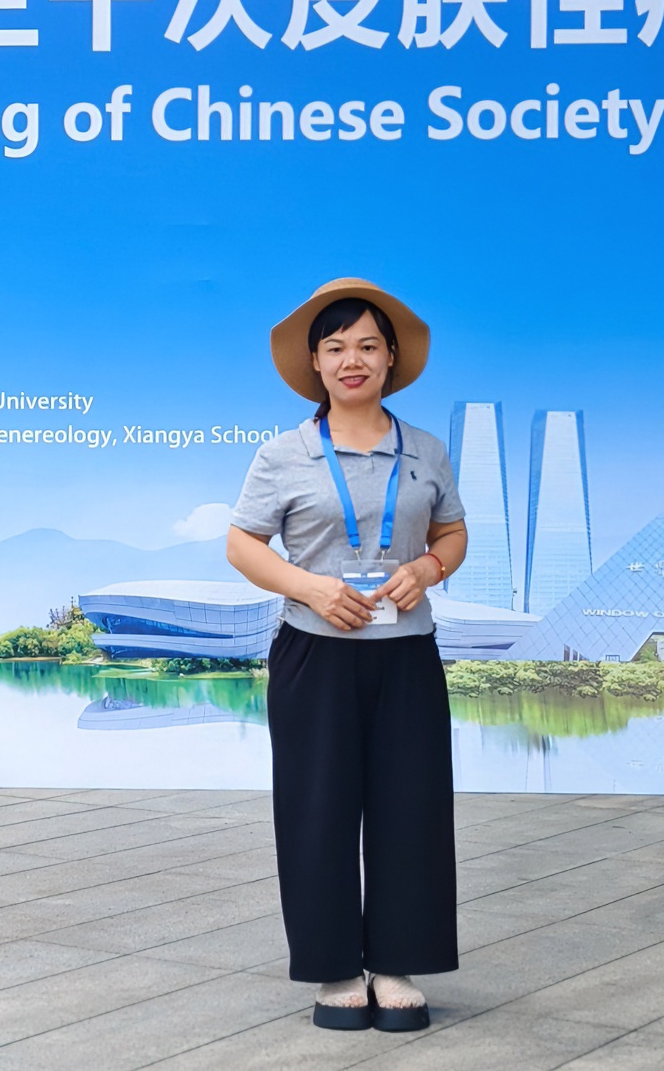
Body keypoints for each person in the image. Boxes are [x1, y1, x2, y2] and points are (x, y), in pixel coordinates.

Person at [226, 278, 469, 1032]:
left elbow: (452, 532)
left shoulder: (426, 450)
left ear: (391, 357)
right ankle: (334, 967)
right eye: (335, 348)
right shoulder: (283, 454)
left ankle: (396, 964)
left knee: (410, 810)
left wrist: (428, 567)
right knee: (317, 813)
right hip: (315, 655)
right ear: (316, 363)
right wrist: (310, 587)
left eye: (367, 345)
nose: (351, 360)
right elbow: (241, 544)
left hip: (407, 656)